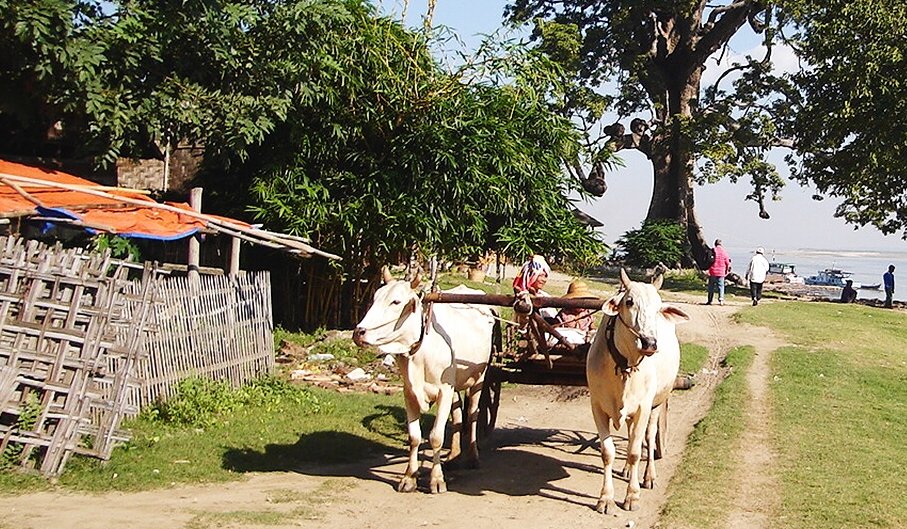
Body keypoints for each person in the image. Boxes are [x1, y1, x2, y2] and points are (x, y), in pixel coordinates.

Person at [552, 280, 598, 345]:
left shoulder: (588, 314)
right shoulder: (563, 315)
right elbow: (556, 330)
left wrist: (591, 333)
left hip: (584, 343)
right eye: (577, 300)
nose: (580, 304)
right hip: (567, 344)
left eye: (583, 300)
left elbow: (592, 328)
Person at [706, 239, 732, 305]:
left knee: (711, 286)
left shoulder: (712, 250)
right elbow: (727, 262)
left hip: (713, 271)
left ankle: (710, 300)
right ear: (721, 244)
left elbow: (709, 260)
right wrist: (727, 271)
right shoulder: (724, 252)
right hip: (721, 272)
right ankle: (721, 300)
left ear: (715, 244)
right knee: (721, 286)